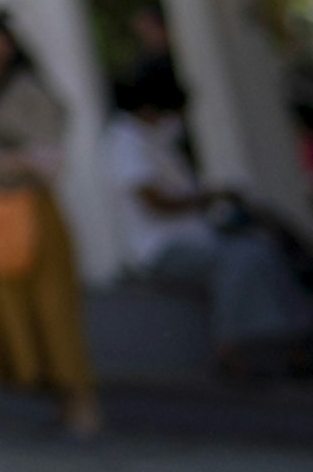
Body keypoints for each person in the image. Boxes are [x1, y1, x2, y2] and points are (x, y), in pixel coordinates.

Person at [103, 63, 313, 377]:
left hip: (197, 235)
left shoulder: (157, 138)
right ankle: (232, 347)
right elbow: (152, 200)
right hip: (160, 248)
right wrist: (209, 197)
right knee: (241, 258)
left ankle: (297, 341)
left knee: (264, 248)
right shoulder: (124, 140)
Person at [0, 8, 100, 436]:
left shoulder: (29, 90)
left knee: (51, 308)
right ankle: (52, 398)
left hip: (29, 212)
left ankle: (81, 404)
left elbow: (49, 157)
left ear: (3, 41)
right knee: (9, 312)